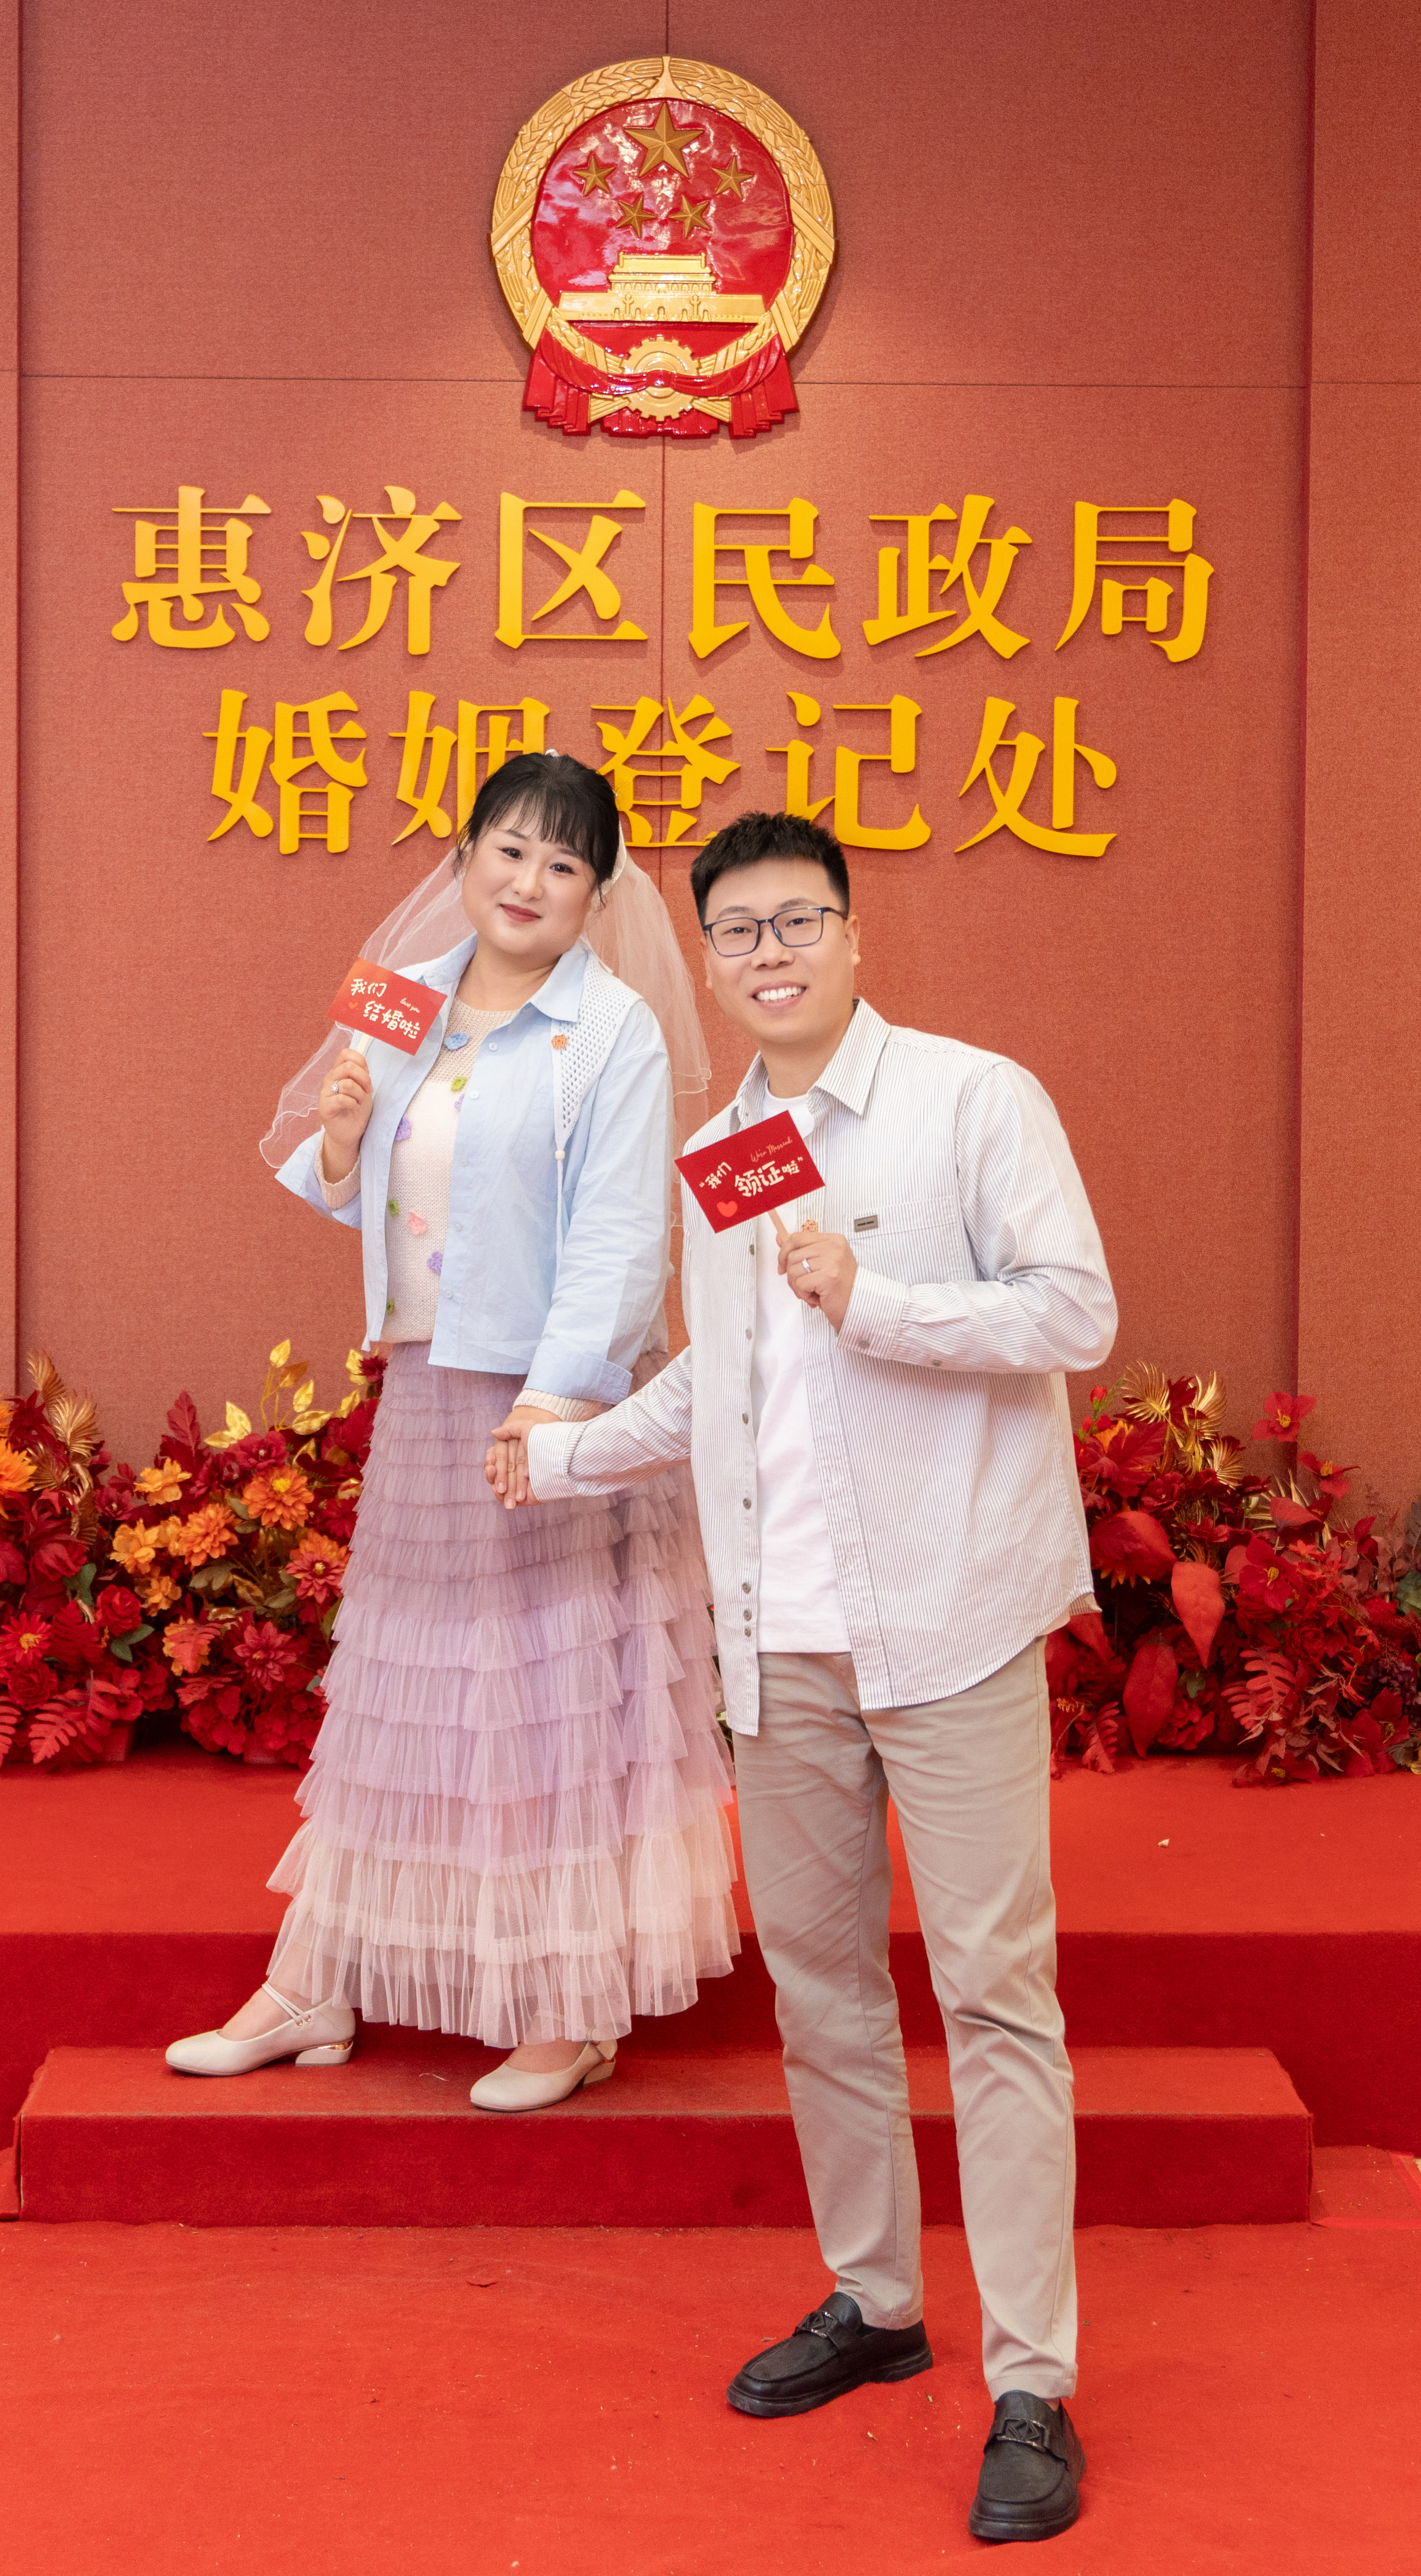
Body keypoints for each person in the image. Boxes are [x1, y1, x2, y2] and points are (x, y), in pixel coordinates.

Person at [512, 810, 1116, 2541]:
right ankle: (878, 2299)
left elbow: (1074, 1312)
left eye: (799, 922)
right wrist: (561, 1456)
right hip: (781, 1640)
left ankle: (1034, 2383)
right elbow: (719, 1383)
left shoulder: (970, 1100)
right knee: (824, 1992)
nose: (769, 954)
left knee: (996, 1997)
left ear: (854, 934)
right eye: (740, 933)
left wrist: (880, 1297)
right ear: (709, 962)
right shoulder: (725, 1153)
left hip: (950, 1621)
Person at [165, 753, 738, 2110]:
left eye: (564, 863)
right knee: (402, 1690)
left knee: (545, 1702)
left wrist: (556, 1407)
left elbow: (623, 1240)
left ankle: (568, 2005)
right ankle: (320, 1980)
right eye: (509, 850)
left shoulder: (612, 1031)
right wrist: (345, 1138)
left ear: (598, 894)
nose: (529, 882)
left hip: (545, 1397)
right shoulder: (407, 997)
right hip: (429, 1387)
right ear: (465, 854)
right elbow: (365, 1189)